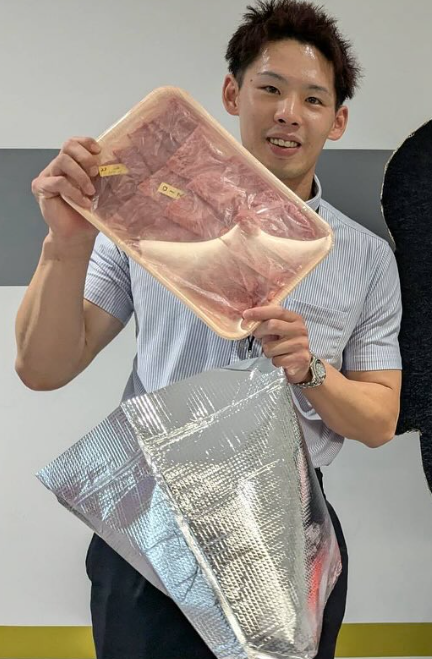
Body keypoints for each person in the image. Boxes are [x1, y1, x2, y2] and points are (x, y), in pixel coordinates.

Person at [14, 2, 402, 657]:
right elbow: (42, 366)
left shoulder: (363, 258)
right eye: (270, 88)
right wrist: (66, 241)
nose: (288, 112)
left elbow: (379, 419)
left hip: (287, 530)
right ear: (231, 94)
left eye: (313, 99)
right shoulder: (145, 220)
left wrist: (310, 370)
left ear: (336, 120)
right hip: (153, 522)